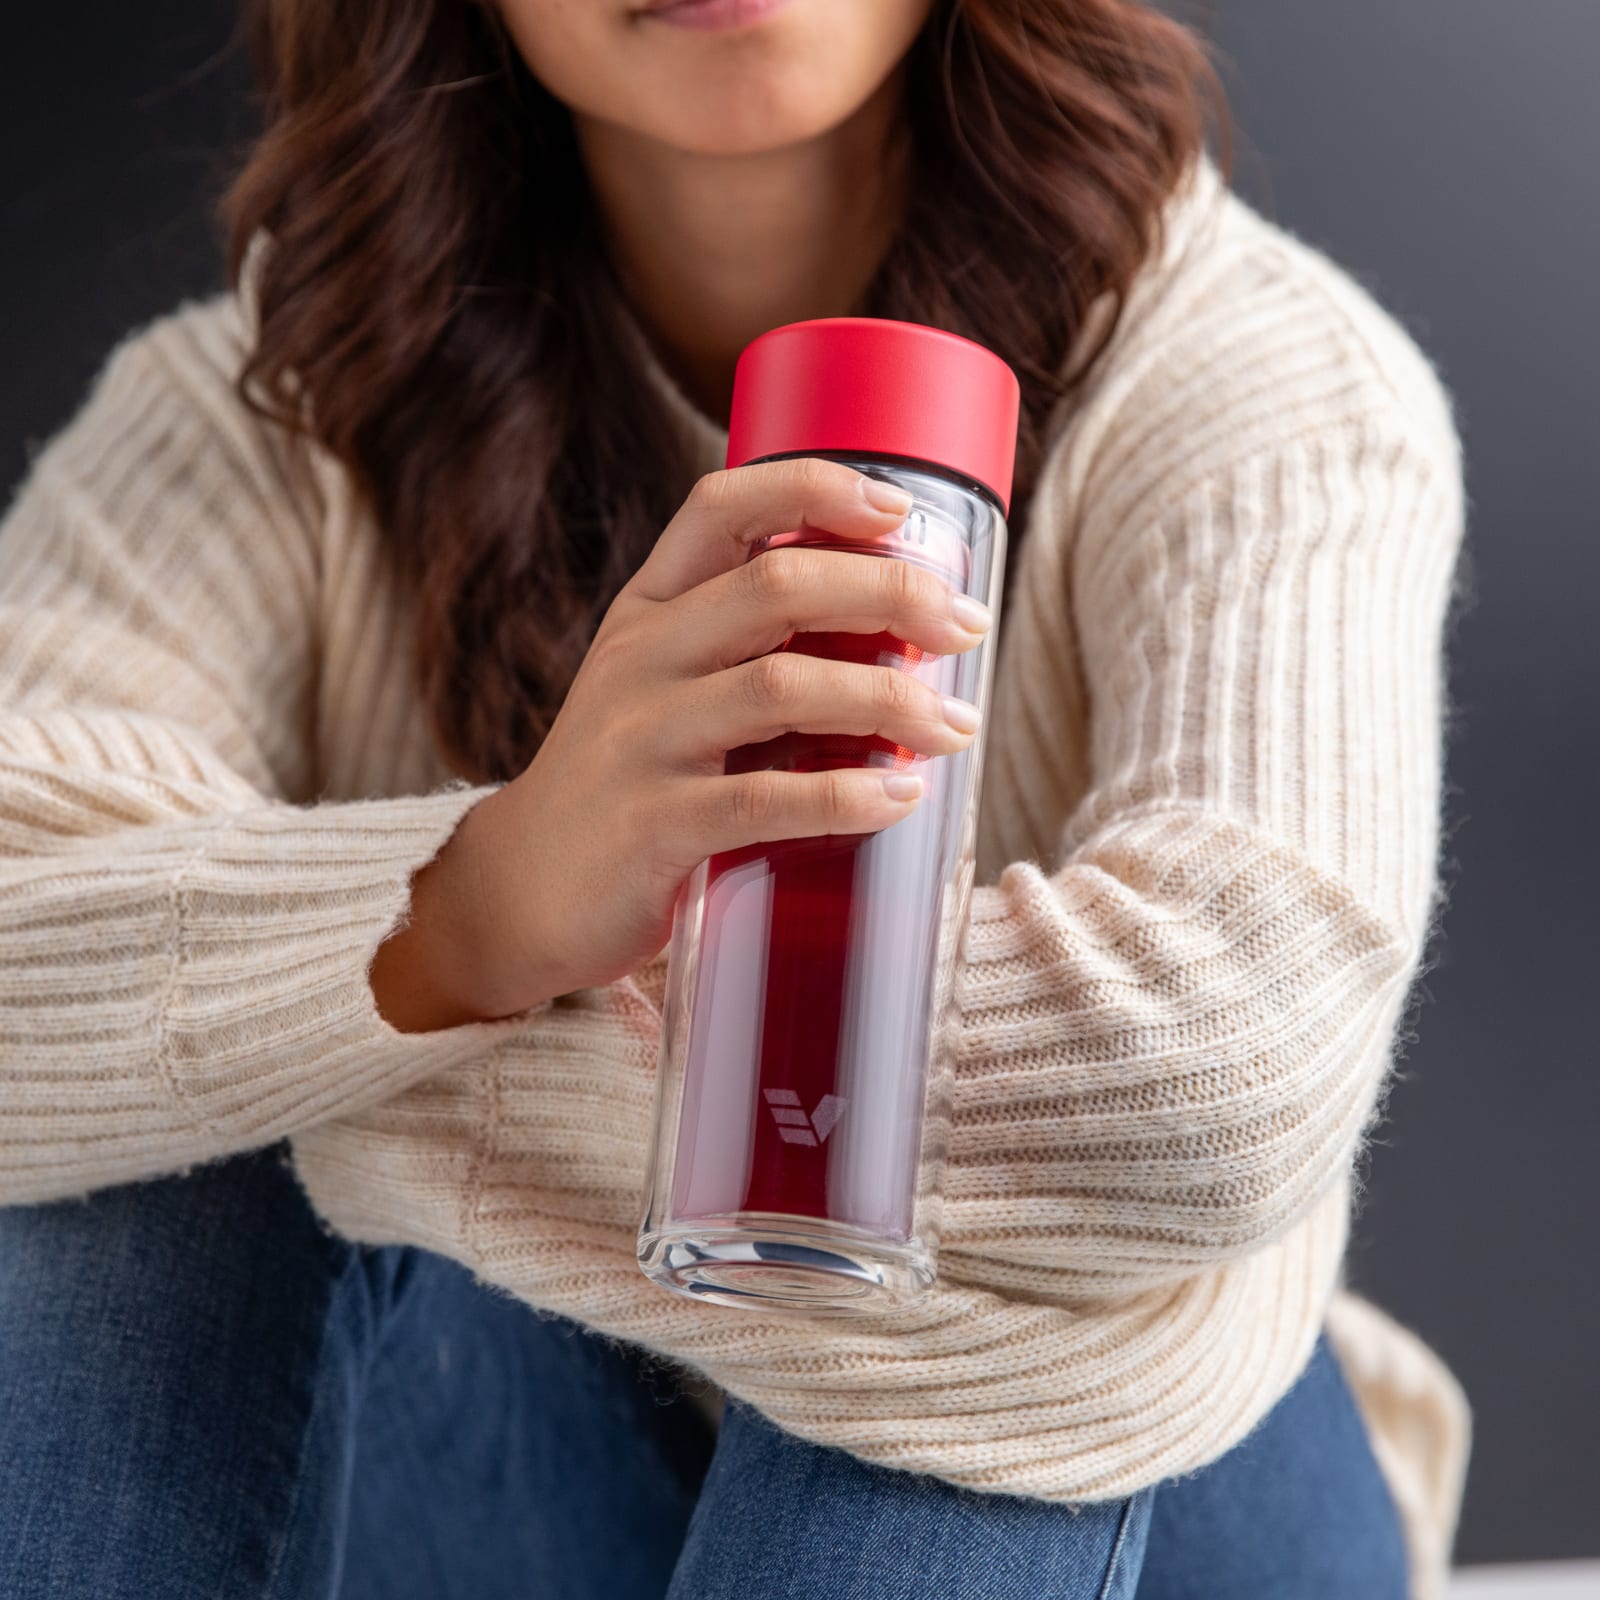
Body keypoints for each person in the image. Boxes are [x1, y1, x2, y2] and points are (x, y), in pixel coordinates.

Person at [0, 0, 1472, 1596]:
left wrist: (383, 1011)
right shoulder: (258, 413)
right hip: (552, 1464)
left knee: (916, 1357)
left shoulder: (1257, 377)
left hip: (1184, 1490)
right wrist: (483, 896)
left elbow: (1220, 1075)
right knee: (112, 1173)